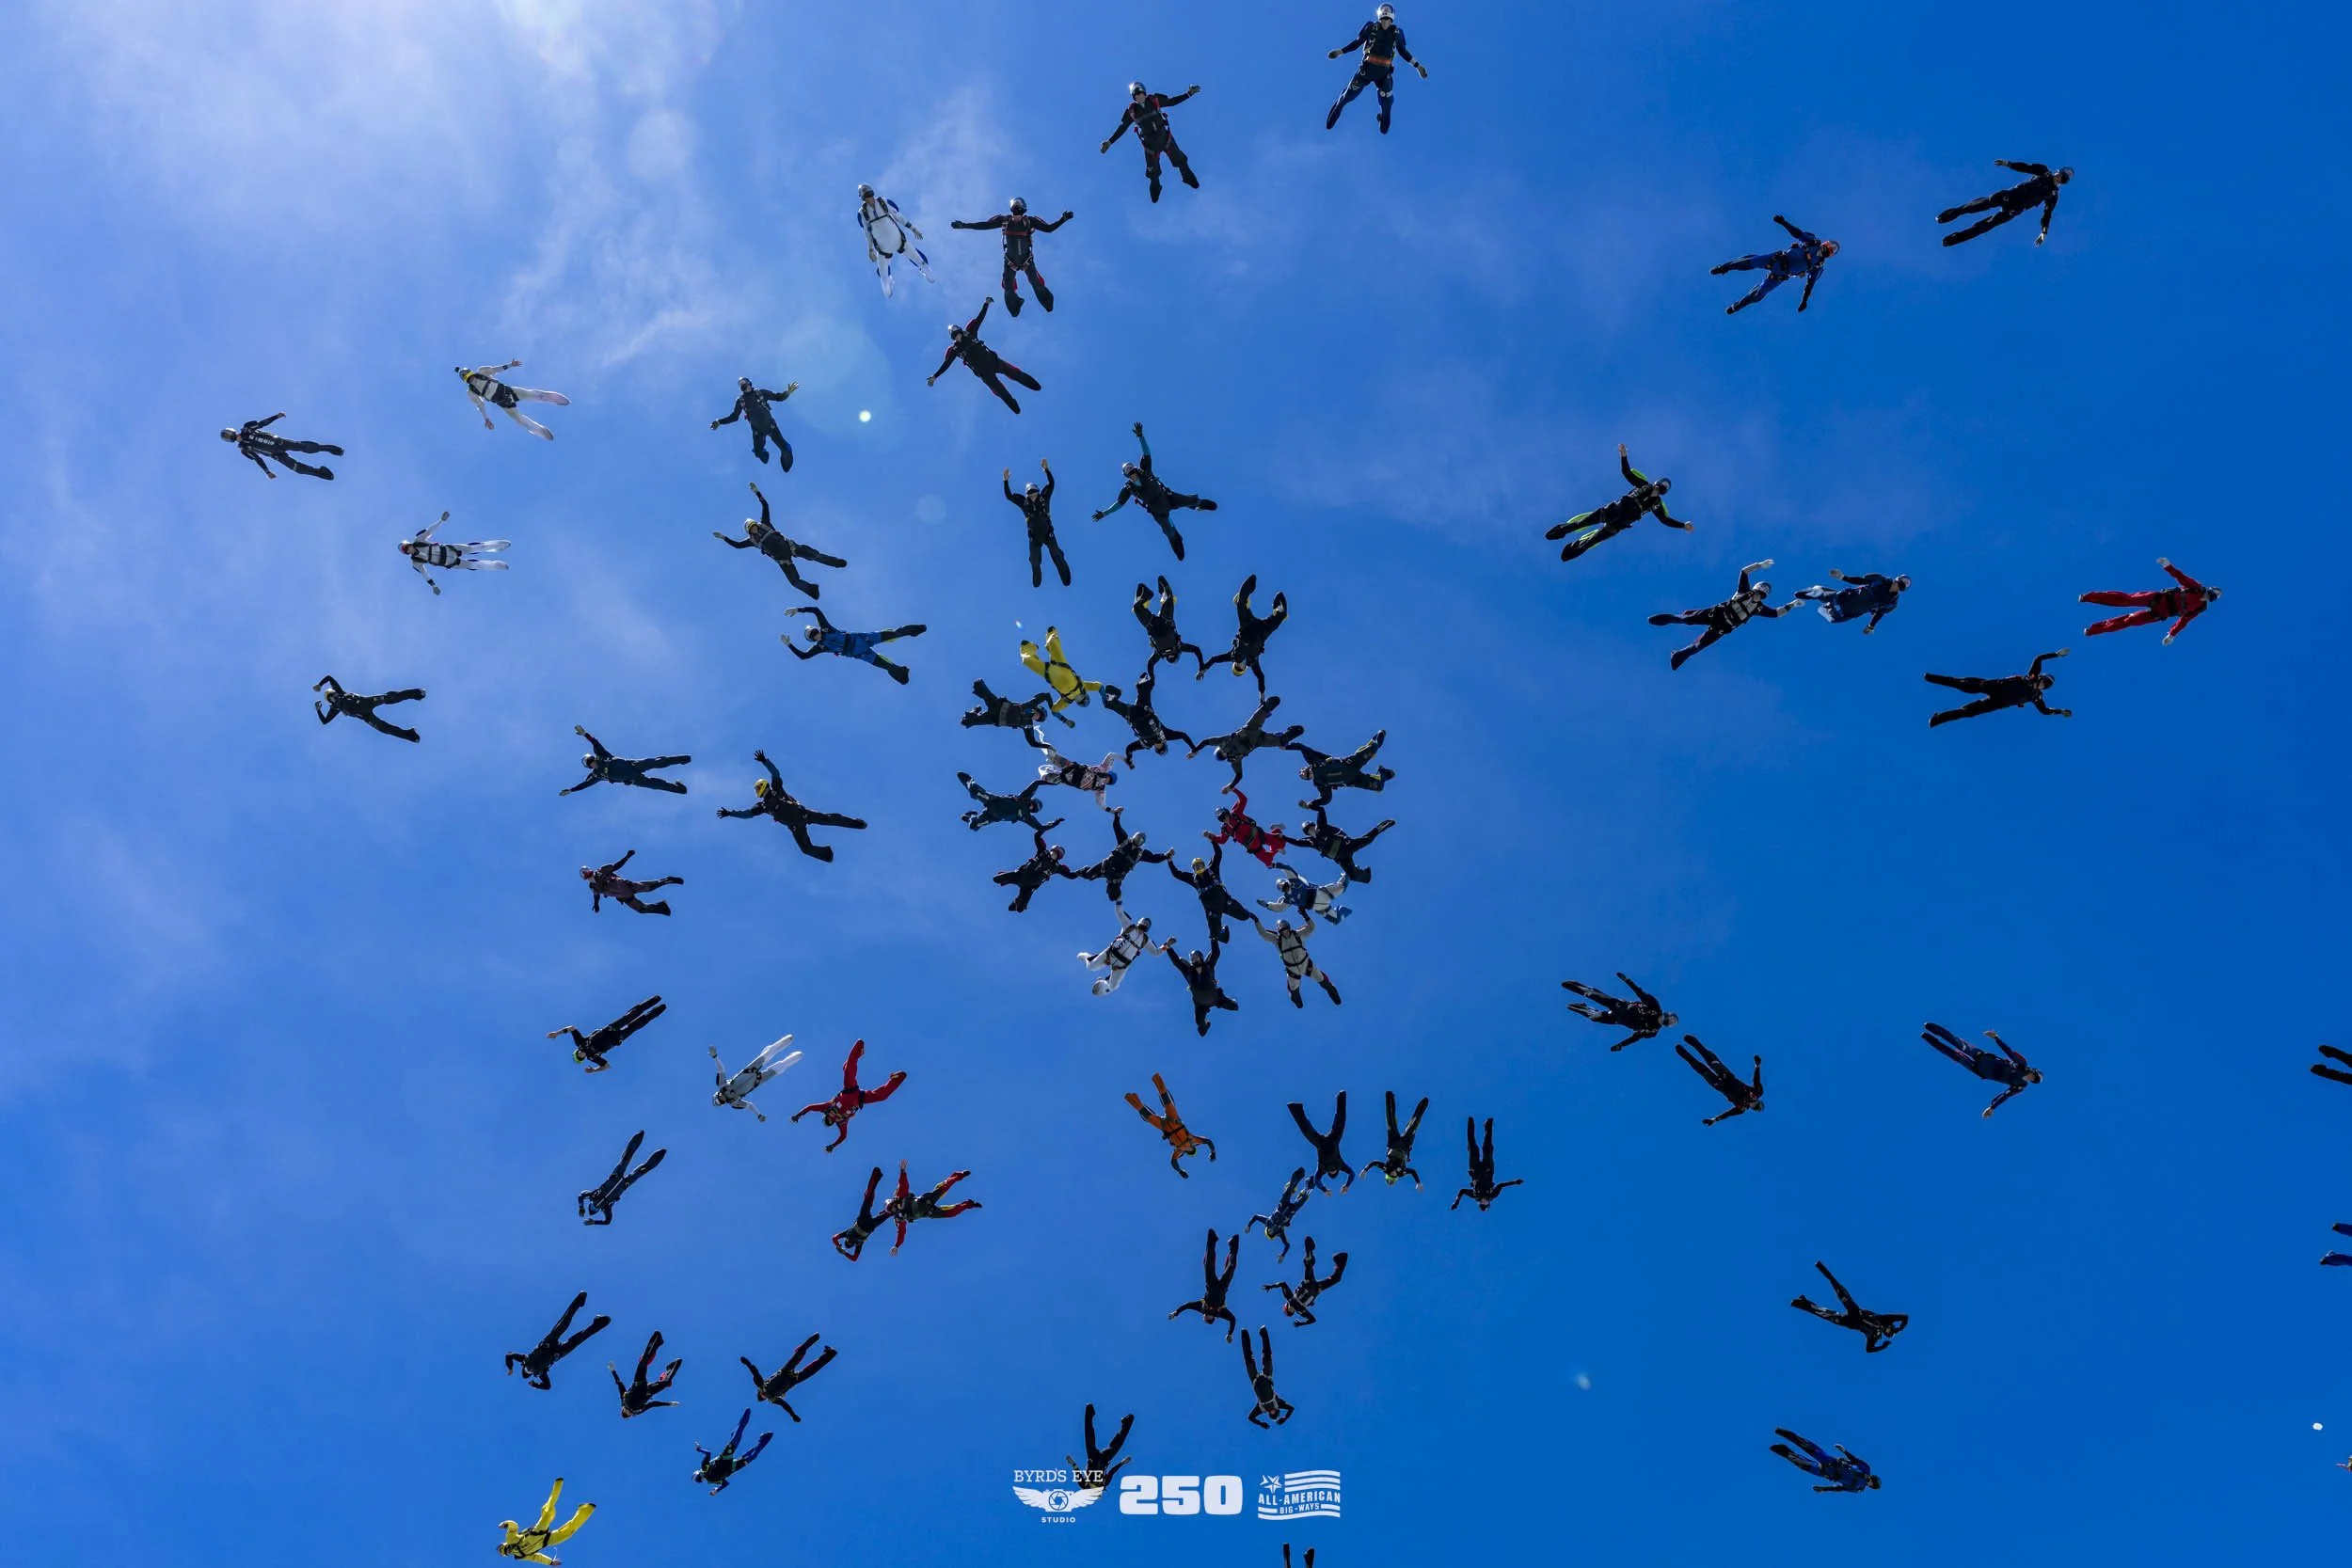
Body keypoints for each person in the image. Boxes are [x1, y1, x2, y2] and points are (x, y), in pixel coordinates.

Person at [1546, 445, 1692, 563]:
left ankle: (1574, 549)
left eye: (1665, 486)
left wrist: (1683, 525)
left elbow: (1665, 520)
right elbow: (1627, 472)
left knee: (1592, 541)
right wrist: (1624, 455)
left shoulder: (1657, 504)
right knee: (1582, 523)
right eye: (1663, 484)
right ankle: (1561, 530)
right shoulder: (1643, 484)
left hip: (1620, 523)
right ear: (1657, 482)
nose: (1663, 486)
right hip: (1612, 510)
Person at [715, 750, 866, 862]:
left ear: (762, 786)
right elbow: (747, 814)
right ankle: (827, 855)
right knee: (806, 849)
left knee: (829, 819)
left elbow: (776, 773)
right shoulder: (762, 807)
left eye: (757, 788)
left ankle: (856, 824)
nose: (756, 791)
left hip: (802, 814)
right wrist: (730, 813)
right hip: (795, 826)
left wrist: (764, 761)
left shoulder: (776, 790)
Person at [1095, 424, 1218, 560]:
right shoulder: (1128, 488)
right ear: (1125, 474)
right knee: (1169, 531)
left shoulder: (1144, 470)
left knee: (1189, 501)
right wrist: (1105, 513)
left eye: (1130, 466)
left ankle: (1198, 504)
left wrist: (1140, 436)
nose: (1130, 468)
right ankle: (1177, 541)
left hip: (1167, 497)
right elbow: (1119, 503)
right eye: (1127, 469)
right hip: (1157, 509)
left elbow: (1146, 452)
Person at [714, 481, 848, 599]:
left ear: (755, 524)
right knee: (795, 582)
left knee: (814, 556)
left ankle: (836, 562)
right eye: (751, 529)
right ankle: (813, 590)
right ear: (749, 531)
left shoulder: (765, 524)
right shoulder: (752, 541)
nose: (754, 529)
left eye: (753, 526)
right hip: (783, 561)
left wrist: (757, 492)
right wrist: (724, 537)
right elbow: (737, 545)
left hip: (790, 547)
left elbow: (765, 506)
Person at [1649, 559, 1786, 670]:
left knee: (1698, 646)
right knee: (1685, 619)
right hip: (1714, 614)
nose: (1759, 595)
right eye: (1759, 592)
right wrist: (1759, 565)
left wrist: (1793, 604)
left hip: (1722, 628)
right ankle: (1662, 619)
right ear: (1756, 589)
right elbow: (1744, 572)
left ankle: (1678, 656)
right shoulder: (1744, 591)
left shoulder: (1758, 608)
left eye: (1762, 594)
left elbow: (1776, 613)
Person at [951, 198, 1074, 316]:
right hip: (1011, 261)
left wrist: (1063, 219)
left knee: (1035, 283)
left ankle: (1048, 304)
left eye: (1019, 205)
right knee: (1008, 288)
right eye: (1016, 205)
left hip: (1026, 260)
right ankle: (1016, 306)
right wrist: (964, 225)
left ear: (1023, 208)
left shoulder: (1030, 221)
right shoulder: (1005, 220)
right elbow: (984, 225)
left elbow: (1049, 229)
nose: (1017, 208)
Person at [1326, 4, 1427, 134]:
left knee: (1387, 106)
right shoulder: (1371, 27)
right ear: (1379, 12)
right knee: (1346, 97)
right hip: (1366, 70)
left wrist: (1417, 66)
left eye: (1388, 9)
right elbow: (1357, 42)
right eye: (1383, 9)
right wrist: (1340, 51)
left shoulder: (1397, 32)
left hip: (1383, 74)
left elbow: (1403, 51)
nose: (1385, 11)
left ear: (1392, 13)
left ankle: (1383, 120)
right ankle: (1337, 107)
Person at [927, 297, 1041, 413]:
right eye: (954, 336)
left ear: (960, 331)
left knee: (1014, 372)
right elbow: (947, 364)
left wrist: (986, 304)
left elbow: (979, 319)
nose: (957, 337)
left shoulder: (970, 333)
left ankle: (1033, 384)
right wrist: (935, 376)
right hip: (984, 373)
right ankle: (1013, 405)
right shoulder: (955, 349)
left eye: (957, 334)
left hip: (993, 361)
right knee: (1000, 391)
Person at [790, 1039, 906, 1153]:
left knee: (848, 1070)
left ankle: (858, 1047)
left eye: (828, 1119)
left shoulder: (826, 1107)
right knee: (882, 1096)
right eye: (830, 1122)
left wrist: (798, 1115)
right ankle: (898, 1078)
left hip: (849, 1090)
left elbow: (810, 1107)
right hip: (860, 1098)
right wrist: (833, 1146)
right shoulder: (841, 1122)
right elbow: (843, 1136)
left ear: (826, 1116)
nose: (831, 1119)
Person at [1709, 215, 1839, 314]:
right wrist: (1784, 223)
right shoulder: (1812, 242)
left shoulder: (1818, 266)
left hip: (1780, 275)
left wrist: (1804, 300)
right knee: (1749, 262)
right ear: (1826, 243)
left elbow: (1810, 284)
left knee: (1758, 295)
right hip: (1777, 259)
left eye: (1832, 250)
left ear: (1831, 255)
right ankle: (1724, 268)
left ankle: (1737, 306)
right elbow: (1798, 233)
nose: (1830, 248)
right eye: (1830, 246)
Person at [1100, 81, 1202, 202]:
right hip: (1150, 146)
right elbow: (1122, 127)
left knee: (1181, 161)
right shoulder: (1132, 111)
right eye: (1136, 96)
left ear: (1145, 93)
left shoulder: (1154, 100)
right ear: (1134, 97)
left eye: (1141, 94)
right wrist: (1110, 142)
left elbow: (1171, 101)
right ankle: (1156, 187)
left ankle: (1187, 177)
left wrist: (1188, 94)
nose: (1139, 97)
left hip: (1165, 138)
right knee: (1153, 174)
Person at [2080, 558, 2220, 643]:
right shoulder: (2196, 588)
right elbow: (2181, 577)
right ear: (2210, 589)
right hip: (2157, 599)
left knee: (2129, 621)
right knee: (2127, 600)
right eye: (2214, 592)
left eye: (2216, 596)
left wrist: (2172, 635)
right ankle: (2090, 597)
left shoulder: (2200, 607)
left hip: (2159, 614)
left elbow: (2184, 621)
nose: (2213, 596)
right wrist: (2168, 566)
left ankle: (2093, 630)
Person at [1938, 160, 2072, 247]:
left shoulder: (2053, 195)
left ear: (2063, 181)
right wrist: (2008, 164)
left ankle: (1956, 239)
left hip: (2014, 209)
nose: (2059, 176)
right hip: (2008, 196)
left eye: (2063, 177)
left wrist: (2044, 232)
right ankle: (1949, 214)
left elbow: (2047, 213)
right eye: (2060, 173)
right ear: (2058, 171)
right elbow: (2026, 167)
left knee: (1986, 226)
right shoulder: (2043, 171)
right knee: (1977, 205)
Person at [1920, 1022, 2042, 1117]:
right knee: (1958, 1043)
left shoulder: (2020, 1085)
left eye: (2034, 1080)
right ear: (2033, 1071)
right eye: (2034, 1076)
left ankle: (1928, 1039)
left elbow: (2005, 1096)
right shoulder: (2022, 1065)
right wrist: (1996, 1038)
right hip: (1983, 1058)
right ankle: (1933, 1028)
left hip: (1980, 1071)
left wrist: (1992, 1107)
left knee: (1955, 1056)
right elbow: (2009, 1052)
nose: (2032, 1078)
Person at [1924, 649, 2070, 727]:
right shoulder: (2031, 676)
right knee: (1962, 684)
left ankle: (1938, 719)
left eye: (2045, 686)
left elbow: (2045, 711)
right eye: (2044, 682)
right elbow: (2038, 658)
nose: (2043, 685)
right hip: (1995, 687)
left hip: (1999, 703)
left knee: (1968, 712)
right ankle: (1932, 677)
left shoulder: (2036, 696)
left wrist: (2060, 711)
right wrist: (2056, 654)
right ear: (2040, 677)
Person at [785, 606, 928, 685]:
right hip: (860, 654)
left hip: (863, 639)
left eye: (815, 631)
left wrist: (799, 610)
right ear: (813, 640)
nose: (816, 634)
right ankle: (902, 672)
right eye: (813, 636)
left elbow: (816, 610)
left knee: (894, 634)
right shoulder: (820, 647)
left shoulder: (826, 628)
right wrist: (789, 644)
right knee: (887, 666)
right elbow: (804, 656)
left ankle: (914, 631)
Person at [1189, 695, 1307, 788]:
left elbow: (1239, 776)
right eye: (1223, 753)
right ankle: (1287, 730)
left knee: (1269, 712)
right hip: (1255, 736)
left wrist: (1195, 750)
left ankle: (1273, 716)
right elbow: (1239, 775)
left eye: (1223, 752)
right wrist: (1195, 751)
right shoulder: (1230, 754)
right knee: (1279, 736)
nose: (1225, 751)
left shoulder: (1228, 751)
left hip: (1253, 735)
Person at [1790, 1261, 1909, 1353]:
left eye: (1887, 1333)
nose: (1886, 1331)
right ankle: (1823, 1270)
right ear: (1890, 1326)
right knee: (1841, 1293)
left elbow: (1868, 1350)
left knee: (1826, 1315)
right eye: (1889, 1329)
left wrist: (1883, 1346)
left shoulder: (1875, 1336)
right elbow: (1905, 1317)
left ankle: (1802, 1303)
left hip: (1850, 1322)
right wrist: (1900, 1329)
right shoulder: (1884, 1320)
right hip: (1856, 1313)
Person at [505, 1291, 612, 1390]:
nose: (528, 1370)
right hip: (553, 1350)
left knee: (572, 1331)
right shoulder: (531, 1364)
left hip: (552, 1350)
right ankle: (594, 1318)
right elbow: (509, 1355)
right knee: (567, 1325)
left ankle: (594, 1317)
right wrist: (511, 1368)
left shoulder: (532, 1366)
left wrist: (534, 1384)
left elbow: (547, 1386)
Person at [1202, 575, 1288, 694]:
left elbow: (1215, 659)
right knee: (1281, 617)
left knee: (1241, 604)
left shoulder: (1231, 656)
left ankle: (1243, 598)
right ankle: (1277, 610)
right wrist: (1262, 697)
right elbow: (1260, 677)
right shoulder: (1253, 663)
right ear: (1244, 669)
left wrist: (1204, 668)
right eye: (1240, 668)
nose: (1239, 665)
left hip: (1247, 627)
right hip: (1261, 633)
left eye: (1237, 666)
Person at [1127, 1071, 1219, 1178]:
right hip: (1172, 1123)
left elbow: (1174, 1162)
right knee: (1161, 1103)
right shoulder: (1188, 1144)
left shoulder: (1184, 1147)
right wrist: (1213, 1152)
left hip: (1167, 1126)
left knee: (1149, 1111)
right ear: (1190, 1151)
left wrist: (1180, 1170)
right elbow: (1208, 1141)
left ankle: (1135, 1094)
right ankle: (1137, 1092)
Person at [1102, 667, 1198, 764]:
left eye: (1158, 749)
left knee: (1108, 704)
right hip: (1144, 711)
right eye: (1161, 747)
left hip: (1132, 715)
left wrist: (1129, 758)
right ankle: (1143, 684)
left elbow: (1130, 748)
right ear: (1163, 744)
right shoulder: (1165, 735)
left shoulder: (1146, 744)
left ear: (1155, 749)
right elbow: (1183, 735)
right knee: (1145, 691)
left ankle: (1113, 697)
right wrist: (1194, 749)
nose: (1158, 746)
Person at [548, 995, 667, 1073]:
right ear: (583, 1059)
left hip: (610, 1029)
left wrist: (556, 1033)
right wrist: (594, 1070)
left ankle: (655, 999)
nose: (581, 1055)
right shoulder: (592, 1057)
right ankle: (661, 1008)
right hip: (618, 1038)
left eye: (579, 1055)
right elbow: (607, 1066)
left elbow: (572, 1028)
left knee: (631, 1015)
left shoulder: (580, 1042)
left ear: (577, 1052)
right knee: (639, 1024)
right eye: (581, 1058)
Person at [399, 511, 508, 594]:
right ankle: (496, 566)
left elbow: (429, 531)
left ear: (409, 544)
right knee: (473, 565)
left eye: (407, 547)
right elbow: (424, 573)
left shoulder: (419, 541)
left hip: (451, 549)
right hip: (450, 562)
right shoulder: (416, 562)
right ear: (407, 553)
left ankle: (496, 546)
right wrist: (433, 586)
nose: (408, 549)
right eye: (406, 550)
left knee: (474, 548)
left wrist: (441, 520)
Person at [1074, 808, 1172, 901]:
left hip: (1116, 877)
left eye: (1141, 840)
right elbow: (1117, 827)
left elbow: (1154, 858)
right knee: (1088, 875)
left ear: (1142, 844)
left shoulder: (1140, 853)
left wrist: (1165, 855)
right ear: (1134, 837)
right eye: (1138, 837)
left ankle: (1119, 903)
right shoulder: (1124, 840)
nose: (1139, 840)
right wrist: (1117, 815)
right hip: (1107, 865)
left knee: (1112, 897)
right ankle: (1082, 871)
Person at [564, 724, 689, 796]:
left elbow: (595, 743)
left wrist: (585, 734)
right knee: (657, 785)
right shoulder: (596, 775)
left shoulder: (602, 756)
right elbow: (585, 785)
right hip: (633, 779)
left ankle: (683, 759)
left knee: (657, 762)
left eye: (591, 760)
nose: (592, 763)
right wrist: (571, 790)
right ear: (590, 767)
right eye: (590, 764)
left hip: (633, 766)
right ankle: (680, 789)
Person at [887, 1159, 982, 1253]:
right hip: (929, 1212)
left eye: (892, 1206)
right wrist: (897, 1246)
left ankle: (959, 1175)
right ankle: (968, 1204)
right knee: (951, 1213)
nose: (894, 1208)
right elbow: (901, 1233)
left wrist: (903, 1171)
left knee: (944, 1187)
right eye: (891, 1209)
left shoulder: (900, 1197)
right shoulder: (899, 1218)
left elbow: (903, 1185)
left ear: (893, 1202)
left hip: (925, 1201)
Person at [456, 359, 570, 438]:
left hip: (507, 391)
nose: (467, 377)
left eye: (465, 374)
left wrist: (510, 365)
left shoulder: (481, 372)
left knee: (531, 394)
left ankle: (553, 398)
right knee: (519, 420)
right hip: (503, 402)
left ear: (469, 371)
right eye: (464, 376)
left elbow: (495, 369)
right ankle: (540, 430)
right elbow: (480, 405)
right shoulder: (471, 392)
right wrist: (486, 418)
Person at [1561, 974, 1676, 1051]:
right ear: (1667, 1014)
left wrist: (1621, 1045)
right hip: (1620, 1006)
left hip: (1617, 1019)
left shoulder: (1653, 1031)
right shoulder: (1655, 1006)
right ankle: (1582, 987)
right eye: (1671, 1019)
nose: (1668, 1021)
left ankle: (1585, 1007)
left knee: (1594, 1018)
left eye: (1670, 1023)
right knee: (1593, 995)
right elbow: (1640, 993)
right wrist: (1627, 980)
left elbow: (1636, 1037)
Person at [1168, 845, 1256, 944]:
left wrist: (1213, 840)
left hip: (1225, 903)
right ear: (1193, 869)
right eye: (1196, 867)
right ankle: (1223, 932)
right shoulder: (1192, 878)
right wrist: (1169, 860)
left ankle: (1248, 914)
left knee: (1244, 916)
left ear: (1204, 865)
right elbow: (1177, 874)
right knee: (1214, 935)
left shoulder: (1212, 869)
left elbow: (1218, 854)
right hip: (1212, 911)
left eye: (1200, 865)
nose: (1199, 868)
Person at [1003, 460, 1071, 587]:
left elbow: (1051, 484)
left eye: (1034, 492)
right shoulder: (1024, 502)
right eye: (1029, 493)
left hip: (1047, 533)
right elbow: (1009, 496)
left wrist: (1047, 470)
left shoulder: (1044, 497)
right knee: (1034, 560)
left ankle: (1065, 578)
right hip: (1034, 536)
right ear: (1027, 495)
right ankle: (1036, 577)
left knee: (1056, 553)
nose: (1032, 495)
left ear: (1038, 492)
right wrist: (1005, 481)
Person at [857, 183, 933, 296]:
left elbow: (898, 216)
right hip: (883, 248)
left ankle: (924, 268)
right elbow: (867, 232)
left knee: (918, 259)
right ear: (863, 199)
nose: (870, 199)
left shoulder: (882, 202)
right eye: (866, 197)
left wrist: (913, 229)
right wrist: (871, 249)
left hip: (898, 240)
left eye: (870, 195)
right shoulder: (862, 213)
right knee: (883, 275)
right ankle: (887, 280)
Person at [578, 1130, 667, 1225]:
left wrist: (581, 1207)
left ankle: (642, 1137)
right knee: (640, 1168)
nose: (595, 1206)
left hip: (616, 1176)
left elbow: (582, 1195)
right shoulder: (605, 1207)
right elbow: (608, 1221)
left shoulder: (594, 1196)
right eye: (594, 1208)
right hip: (624, 1183)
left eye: (592, 1207)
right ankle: (659, 1152)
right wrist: (593, 1221)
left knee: (627, 1157)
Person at [741, 1332, 836, 1420]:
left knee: (797, 1356)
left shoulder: (762, 1386)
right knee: (811, 1370)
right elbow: (785, 1405)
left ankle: (811, 1341)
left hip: (784, 1372)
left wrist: (748, 1363)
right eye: (764, 1397)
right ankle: (830, 1353)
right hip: (793, 1380)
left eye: (762, 1395)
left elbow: (755, 1374)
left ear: (760, 1393)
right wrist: (793, 1415)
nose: (764, 1396)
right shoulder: (773, 1399)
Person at [1168, 1227, 1243, 1340]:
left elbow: (1187, 1305)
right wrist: (1230, 1334)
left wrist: (1176, 1312)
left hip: (1211, 1284)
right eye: (1205, 1318)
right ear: (1210, 1318)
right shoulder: (1220, 1313)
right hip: (1223, 1287)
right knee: (1231, 1267)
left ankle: (1212, 1239)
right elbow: (1233, 1320)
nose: (1203, 1315)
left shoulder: (1201, 1308)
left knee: (1208, 1264)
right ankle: (1233, 1244)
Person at [499, 1478, 595, 1564]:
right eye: (506, 1552)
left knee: (548, 1512)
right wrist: (550, 1562)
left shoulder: (510, 1540)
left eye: (506, 1549)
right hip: (546, 1541)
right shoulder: (520, 1556)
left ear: (506, 1545)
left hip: (537, 1532)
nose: (508, 1551)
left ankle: (558, 1485)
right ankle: (585, 1510)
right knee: (567, 1533)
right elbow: (537, 1558)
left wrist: (506, 1523)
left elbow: (514, 1527)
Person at [222, 411, 341, 480]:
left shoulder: (247, 429)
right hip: (276, 454)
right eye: (227, 437)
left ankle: (329, 448)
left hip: (279, 442)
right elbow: (258, 459)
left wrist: (276, 417)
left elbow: (261, 424)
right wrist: (267, 472)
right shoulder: (244, 449)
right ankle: (321, 472)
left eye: (228, 434)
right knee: (297, 469)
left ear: (231, 431)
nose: (230, 436)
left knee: (303, 447)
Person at [709, 1035, 803, 1121]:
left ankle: (784, 1041)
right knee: (779, 1068)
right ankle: (794, 1057)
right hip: (757, 1081)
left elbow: (721, 1069)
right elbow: (749, 1106)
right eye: (721, 1101)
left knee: (768, 1053)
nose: (722, 1098)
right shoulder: (734, 1103)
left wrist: (715, 1057)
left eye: (719, 1098)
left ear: (718, 1094)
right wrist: (758, 1115)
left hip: (749, 1070)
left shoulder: (722, 1085)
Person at [1293, 805, 1393, 885]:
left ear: (1313, 825)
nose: (1311, 831)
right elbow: (1297, 842)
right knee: (1353, 876)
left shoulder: (1321, 827)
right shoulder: (1311, 842)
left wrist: (1310, 806)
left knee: (1367, 840)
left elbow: (1321, 810)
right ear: (1307, 833)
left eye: (1311, 828)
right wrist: (1283, 837)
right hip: (1342, 858)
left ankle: (1380, 827)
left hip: (1345, 845)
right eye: (1308, 831)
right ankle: (1366, 875)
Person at [709, 377, 798, 467]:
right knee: (758, 453)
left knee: (785, 449)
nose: (741, 385)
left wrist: (787, 393)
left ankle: (786, 461)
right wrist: (719, 422)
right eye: (740, 384)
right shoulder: (740, 400)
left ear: (749, 383)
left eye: (743, 382)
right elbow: (734, 417)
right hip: (757, 431)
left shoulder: (761, 393)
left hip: (771, 426)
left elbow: (778, 397)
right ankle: (764, 454)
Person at [1257, 914, 1342, 1008]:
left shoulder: (1297, 934)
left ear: (1288, 925)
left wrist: (1305, 916)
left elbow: (1312, 927)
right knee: (1294, 991)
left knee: (1323, 980)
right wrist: (1256, 920)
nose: (1282, 928)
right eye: (1280, 926)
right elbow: (1263, 933)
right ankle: (1296, 999)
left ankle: (1332, 992)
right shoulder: (1276, 939)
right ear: (1278, 929)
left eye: (1283, 925)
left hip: (1306, 965)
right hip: (1293, 970)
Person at [1788, 569, 1910, 633]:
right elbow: (1879, 614)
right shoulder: (1892, 601)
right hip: (1851, 608)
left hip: (1848, 601)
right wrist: (1871, 626)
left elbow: (1861, 581)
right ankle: (1824, 600)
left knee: (1833, 599)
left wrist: (1843, 577)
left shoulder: (1882, 582)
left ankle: (1820, 594)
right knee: (1834, 615)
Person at [1292, 730, 1393, 808]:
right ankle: (1383, 772)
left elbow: (1302, 747)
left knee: (1373, 748)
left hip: (1350, 764)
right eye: (1302, 775)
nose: (1302, 773)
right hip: (1353, 780)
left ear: (1306, 767)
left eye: (1301, 770)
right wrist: (1311, 804)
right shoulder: (1320, 783)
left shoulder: (1315, 762)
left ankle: (1376, 738)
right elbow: (1326, 799)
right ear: (1308, 779)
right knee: (1378, 787)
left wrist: (1285, 746)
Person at [1677, 1037, 1764, 1126]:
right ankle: (1692, 1041)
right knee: (1710, 1059)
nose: (1754, 1102)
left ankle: (1682, 1052)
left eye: (1755, 1106)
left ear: (1752, 1108)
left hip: (1719, 1085)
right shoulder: (1758, 1092)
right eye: (1757, 1103)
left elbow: (1728, 1114)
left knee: (1701, 1069)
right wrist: (1757, 1066)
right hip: (1727, 1075)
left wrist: (1715, 1119)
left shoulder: (1742, 1108)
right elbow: (1756, 1080)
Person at [1161, 937, 1241, 1035]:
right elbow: (1176, 961)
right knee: (1200, 1026)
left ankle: (1230, 1002)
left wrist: (1214, 939)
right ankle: (1205, 1027)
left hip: (1216, 998)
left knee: (1234, 1007)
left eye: (1196, 957)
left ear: (1201, 958)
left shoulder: (1208, 966)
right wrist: (1168, 947)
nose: (1194, 959)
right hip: (1201, 1004)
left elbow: (1215, 953)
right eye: (1192, 958)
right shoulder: (1188, 971)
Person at [994, 820, 1077, 912]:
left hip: (1029, 887)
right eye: (1053, 851)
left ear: (1058, 857)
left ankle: (1017, 901)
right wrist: (1052, 824)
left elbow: (1071, 875)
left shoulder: (1056, 867)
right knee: (996, 879)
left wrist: (1082, 872)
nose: (1053, 854)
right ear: (1050, 850)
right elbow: (1037, 836)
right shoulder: (1042, 852)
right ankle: (1007, 879)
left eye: (1056, 854)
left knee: (1020, 909)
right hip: (1020, 875)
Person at [1264, 1236, 1349, 1325]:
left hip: (1310, 1285)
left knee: (1311, 1267)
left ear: (1287, 1307)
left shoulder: (1293, 1302)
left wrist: (1301, 1323)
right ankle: (1335, 1259)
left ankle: (1309, 1256)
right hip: (1315, 1287)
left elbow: (1283, 1284)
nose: (1291, 1310)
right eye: (1291, 1312)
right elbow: (1313, 1320)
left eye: (1289, 1311)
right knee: (1335, 1278)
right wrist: (1271, 1286)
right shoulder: (1299, 1309)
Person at [312, 675, 424, 742]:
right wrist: (318, 710)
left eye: (333, 694)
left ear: (335, 692)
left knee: (390, 698)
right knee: (385, 729)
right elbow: (325, 721)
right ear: (330, 701)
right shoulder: (335, 708)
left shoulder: (341, 693)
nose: (334, 697)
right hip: (365, 716)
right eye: (331, 698)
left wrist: (320, 684)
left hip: (366, 702)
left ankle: (417, 693)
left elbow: (329, 677)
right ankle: (410, 735)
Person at [1134, 577, 1210, 673]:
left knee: (1168, 597)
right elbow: (1150, 664)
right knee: (1137, 607)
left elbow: (1196, 649)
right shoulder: (1165, 652)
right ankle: (1154, 594)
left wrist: (1201, 666)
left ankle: (1153, 594)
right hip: (1157, 623)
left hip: (1159, 623)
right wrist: (1152, 678)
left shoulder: (1174, 649)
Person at [1020, 626, 1104, 711]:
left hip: (1050, 674)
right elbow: (1099, 686)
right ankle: (1051, 633)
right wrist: (1104, 698)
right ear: (1085, 694)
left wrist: (1063, 720)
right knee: (1053, 642)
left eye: (1079, 700)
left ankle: (1028, 647)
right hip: (1062, 666)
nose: (1079, 698)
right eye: (1082, 697)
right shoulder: (1083, 686)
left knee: (1027, 661)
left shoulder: (1067, 700)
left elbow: (1055, 709)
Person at [694, 1408, 775, 1496]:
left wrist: (699, 1449)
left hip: (726, 1459)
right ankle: (763, 1439)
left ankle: (748, 1415)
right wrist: (717, 1490)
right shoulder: (711, 1478)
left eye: (700, 1478)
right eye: (700, 1479)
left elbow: (708, 1454)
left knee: (739, 1437)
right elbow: (725, 1483)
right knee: (749, 1452)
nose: (702, 1478)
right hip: (732, 1465)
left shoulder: (706, 1471)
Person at [1031, 733, 1121, 811]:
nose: (1106, 780)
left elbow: (1101, 804)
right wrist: (1126, 759)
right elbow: (1111, 755)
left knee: (1047, 779)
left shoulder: (1100, 789)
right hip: (1072, 768)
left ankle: (1050, 770)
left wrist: (1113, 811)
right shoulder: (1103, 768)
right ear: (1107, 774)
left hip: (1067, 779)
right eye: (1108, 778)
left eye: (1108, 782)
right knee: (1051, 756)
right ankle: (1048, 749)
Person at [1770, 1429, 1881, 1492]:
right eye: (1873, 1483)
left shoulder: (1857, 1488)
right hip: (1833, 1463)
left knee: (1803, 1465)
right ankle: (1788, 1435)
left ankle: (1782, 1450)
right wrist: (1844, 1450)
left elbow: (1839, 1488)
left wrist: (1824, 1489)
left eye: (1872, 1485)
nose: (1871, 1484)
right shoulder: (1866, 1469)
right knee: (1810, 1449)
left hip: (1826, 1473)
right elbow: (1855, 1459)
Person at [1451, 1117, 1523, 1211]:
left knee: (1473, 1148)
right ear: (1489, 1203)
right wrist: (1514, 1182)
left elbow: (1462, 1191)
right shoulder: (1493, 1194)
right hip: (1487, 1169)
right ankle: (1488, 1125)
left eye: (1482, 1204)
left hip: (1475, 1170)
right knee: (1487, 1148)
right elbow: (1501, 1185)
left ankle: (1470, 1123)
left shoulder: (1475, 1195)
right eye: (1486, 1204)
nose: (1484, 1202)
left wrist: (1456, 1202)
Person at [581, 850, 682, 916]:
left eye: (588, 873)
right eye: (586, 875)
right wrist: (596, 904)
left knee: (650, 887)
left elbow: (616, 866)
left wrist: (627, 857)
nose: (589, 875)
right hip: (624, 897)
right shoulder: (593, 887)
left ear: (591, 870)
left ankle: (668, 880)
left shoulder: (601, 871)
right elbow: (596, 896)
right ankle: (662, 907)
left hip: (626, 886)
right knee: (641, 909)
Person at [1080, 906, 1155, 994]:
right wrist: (1118, 900)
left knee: (1114, 986)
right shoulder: (1130, 926)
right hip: (1111, 953)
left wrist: (1167, 945)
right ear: (1140, 921)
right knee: (1091, 967)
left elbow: (1156, 952)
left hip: (1122, 963)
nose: (1146, 924)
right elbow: (1119, 912)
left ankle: (1105, 981)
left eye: (1147, 924)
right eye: (1145, 922)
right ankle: (1087, 957)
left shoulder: (1145, 940)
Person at [1288, 1093, 1355, 1193]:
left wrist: (1324, 1189)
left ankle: (1295, 1108)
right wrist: (1347, 1185)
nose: (1332, 1171)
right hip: (1334, 1140)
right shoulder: (1341, 1165)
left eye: (1331, 1172)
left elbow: (1316, 1180)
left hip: (1320, 1143)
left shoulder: (1322, 1170)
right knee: (1340, 1121)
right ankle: (1341, 1097)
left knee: (1306, 1130)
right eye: (1334, 1172)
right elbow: (1352, 1174)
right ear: (1337, 1171)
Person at [1361, 1090, 1429, 1187]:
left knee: (1390, 1120)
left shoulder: (1386, 1168)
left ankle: (1389, 1097)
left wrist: (1365, 1169)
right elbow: (1413, 1172)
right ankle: (1424, 1104)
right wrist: (1418, 1183)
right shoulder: (1401, 1173)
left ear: (1388, 1175)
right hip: (1406, 1145)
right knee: (1414, 1124)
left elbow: (1374, 1162)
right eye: (1394, 1176)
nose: (1393, 1174)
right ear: (1396, 1177)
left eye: (1391, 1175)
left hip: (1393, 1143)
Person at [1209, 787, 1288, 868]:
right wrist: (1211, 836)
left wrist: (1232, 789)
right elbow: (1222, 840)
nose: (1225, 819)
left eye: (1225, 816)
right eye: (1222, 818)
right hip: (1253, 847)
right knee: (1268, 863)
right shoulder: (1225, 829)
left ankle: (1276, 830)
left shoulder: (1236, 813)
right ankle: (1276, 847)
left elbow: (1243, 799)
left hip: (1258, 835)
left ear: (1227, 813)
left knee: (1281, 842)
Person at [610, 1330, 682, 1418]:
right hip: (643, 1387)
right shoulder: (631, 1407)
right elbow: (619, 1384)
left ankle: (659, 1348)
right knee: (644, 1364)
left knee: (646, 1366)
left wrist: (669, 1404)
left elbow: (620, 1384)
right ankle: (666, 1365)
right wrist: (613, 1371)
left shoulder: (632, 1408)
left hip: (643, 1386)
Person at [832, 1165, 894, 1261]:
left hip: (865, 1224)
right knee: (869, 1197)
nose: (849, 1241)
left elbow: (854, 1258)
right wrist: (840, 1247)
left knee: (880, 1209)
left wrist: (842, 1250)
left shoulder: (856, 1242)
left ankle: (897, 1206)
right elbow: (834, 1238)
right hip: (864, 1222)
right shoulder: (855, 1241)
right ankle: (876, 1176)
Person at [1067, 1403, 1136, 1489]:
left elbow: (1077, 1472)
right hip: (1105, 1459)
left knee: (1089, 1435)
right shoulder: (1103, 1484)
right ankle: (1127, 1422)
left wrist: (1072, 1463)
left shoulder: (1084, 1485)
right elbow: (1111, 1472)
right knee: (1118, 1443)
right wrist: (1122, 1463)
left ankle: (1089, 1411)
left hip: (1092, 1457)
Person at [1249, 1167, 1312, 1261]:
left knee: (1289, 1190)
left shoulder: (1268, 1222)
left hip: (1282, 1205)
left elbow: (1256, 1217)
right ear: (1274, 1234)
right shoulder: (1280, 1233)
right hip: (1290, 1211)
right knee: (1303, 1199)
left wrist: (1249, 1225)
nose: (1271, 1231)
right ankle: (1307, 1187)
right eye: (1271, 1233)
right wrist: (1283, 1255)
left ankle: (1295, 1181)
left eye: (1269, 1231)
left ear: (1268, 1229)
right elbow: (1287, 1245)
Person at [1261, 863, 1352, 926]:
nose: (1283, 887)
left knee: (1342, 887)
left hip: (1322, 894)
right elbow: (1280, 907)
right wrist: (1268, 905)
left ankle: (1349, 870)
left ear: (1285, 881)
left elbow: (1287, 869)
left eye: (1283, 884)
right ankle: (1341, 910)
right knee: (1336, 920)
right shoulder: (1288, 898)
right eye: (1281, 888)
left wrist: (1275, 865)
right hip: (1320, 907)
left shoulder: (1294, 881)